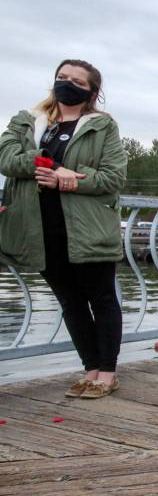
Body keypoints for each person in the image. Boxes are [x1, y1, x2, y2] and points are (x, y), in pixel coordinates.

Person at [0, 60, 127, 399]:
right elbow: (7, 158)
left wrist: (69, 181)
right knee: (70, 302)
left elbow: (112, 179)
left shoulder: (102, 128)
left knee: (101, 298)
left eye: (76, 81)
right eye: (62, 78)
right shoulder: (27, 121)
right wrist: (49, 165)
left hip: (87, 228)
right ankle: (90, 368)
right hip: (39, 228)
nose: (67, 84)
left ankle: (107, 371)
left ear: (91, 91)